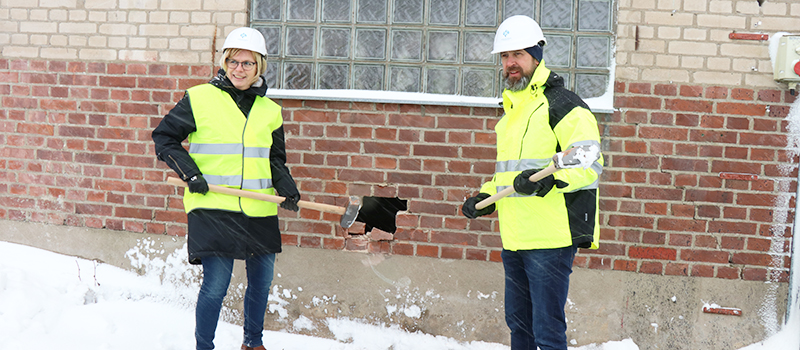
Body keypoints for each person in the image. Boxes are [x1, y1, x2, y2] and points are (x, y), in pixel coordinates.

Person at [152, 27, 300, 350]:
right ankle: (204, 346)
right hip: (213, 205)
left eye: (248, 63)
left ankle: (253, 343)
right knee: (216, 285)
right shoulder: (200, 98)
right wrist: (190, 173)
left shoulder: (270, 111)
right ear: (224, 62)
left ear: (259, 67)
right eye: (233, 61)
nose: (239, 69)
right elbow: (164, 137)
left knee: (261, 283)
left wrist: (287, 187)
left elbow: (274, 160)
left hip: (258, 207)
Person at [460, 15, 603, 350]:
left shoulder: (563, 104)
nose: (510, 63)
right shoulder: (514, 111)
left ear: (536, 56)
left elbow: (590, 163)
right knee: (519, 327)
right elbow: (510, 173)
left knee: (547, 331)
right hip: (515, 235)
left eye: (518, 55)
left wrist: (549, 183)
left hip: (550, 236)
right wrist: (487, 195)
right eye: (505, 56)